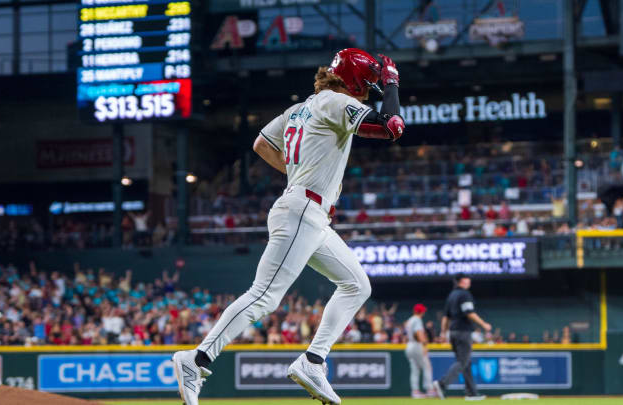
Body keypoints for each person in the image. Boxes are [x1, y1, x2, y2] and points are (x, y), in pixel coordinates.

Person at [172, 48, 405, 405]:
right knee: (264, 296)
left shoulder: (299, 108)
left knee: (357, 285)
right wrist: (391, 83)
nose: (367, 91)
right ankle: (197, 359)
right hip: (302, 210)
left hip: (307, 209)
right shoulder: (334, 101)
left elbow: (262, 144)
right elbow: (392, 126)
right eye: (367, 84)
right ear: (355, 80)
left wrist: (299, 177)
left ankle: (313, 361)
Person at [433, 273, 491, 400]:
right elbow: (469, 313)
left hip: (452, 332)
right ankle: (442, 384)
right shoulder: (464, 294)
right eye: (467, 278)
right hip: (463, 332)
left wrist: (443, 333)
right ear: (461, 281)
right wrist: (484, 324)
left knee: (466, 363)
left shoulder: (451, 295)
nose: (469, 280)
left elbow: (445, 317)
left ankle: (472, 393)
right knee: (462, 362)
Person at [404, 303, 437, 398]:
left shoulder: (410, 320)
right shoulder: (417, 320)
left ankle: (415, 391)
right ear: (421, 312)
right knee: (427, 366)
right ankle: (430, 389)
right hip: (416, 345)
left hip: (409, 345)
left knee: (415, 369)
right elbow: (419, 333)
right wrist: (425, 343)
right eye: (422, 311)